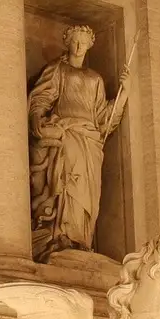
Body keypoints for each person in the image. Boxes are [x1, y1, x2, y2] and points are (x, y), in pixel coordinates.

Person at [27, 25, 133, 260]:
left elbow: (104, 118)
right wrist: (37, 119)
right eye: (75, 41)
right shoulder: (58, 70)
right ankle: (61, 235)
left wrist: (124, 93)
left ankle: (81, 238)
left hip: (91, 140)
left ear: (89, 46)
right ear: (67, 42)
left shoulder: (95, 79)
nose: (78, 46)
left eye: (83, 43)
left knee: (88, 193)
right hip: (68, 134)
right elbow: (41, 98)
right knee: (67, 186)